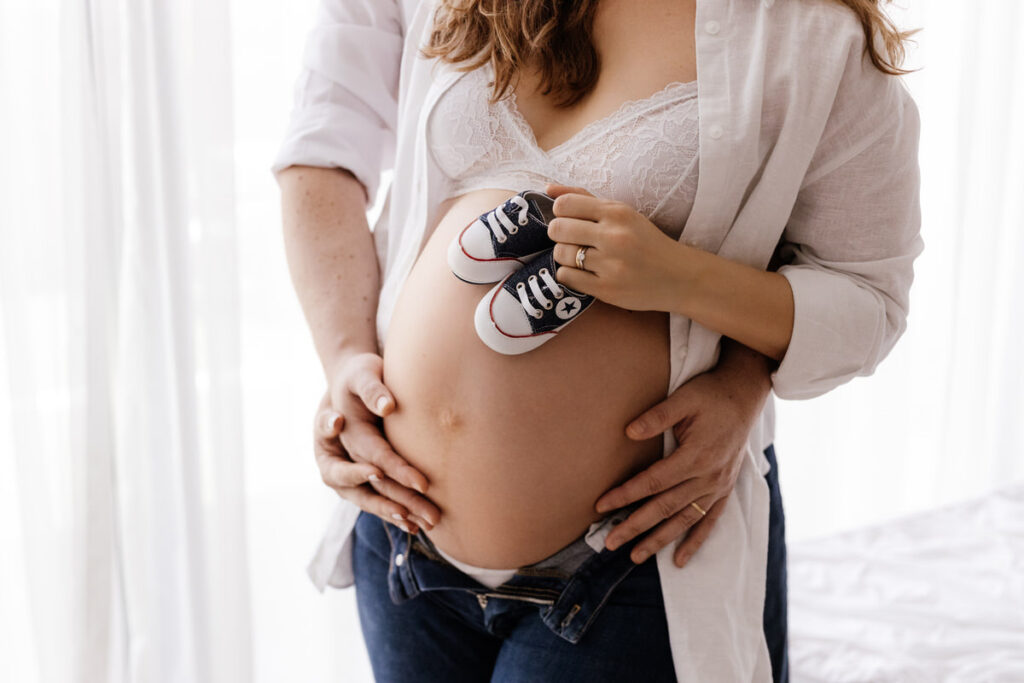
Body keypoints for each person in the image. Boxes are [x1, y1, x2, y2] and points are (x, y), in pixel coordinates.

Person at [273, 0, 921, 680]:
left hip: (635, 554)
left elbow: (866, 294)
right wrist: (346, 355)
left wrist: (683, 281)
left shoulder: (812, 34)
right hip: (402, 528)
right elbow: (320, 148)